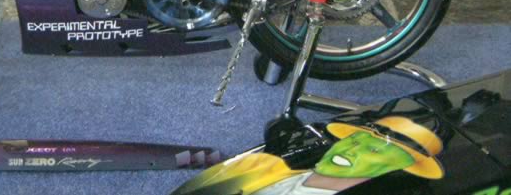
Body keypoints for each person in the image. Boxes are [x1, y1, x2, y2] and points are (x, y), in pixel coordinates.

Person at [174, 116, 444, 194]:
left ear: (400, 167)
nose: (351, 148)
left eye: (372, 149)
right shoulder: (265, 165)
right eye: (354, 139)